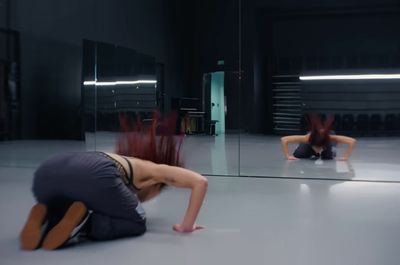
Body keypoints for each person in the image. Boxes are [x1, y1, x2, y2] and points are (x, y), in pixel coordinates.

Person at [19, 112, 208, 251]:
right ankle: (86, 225)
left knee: (78, 199)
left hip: (46, 173)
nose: (147, 199)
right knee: (137, 221)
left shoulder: (123, 160)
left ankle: (47, 215)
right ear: (156, 185)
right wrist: (187, 225)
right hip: (96, 172)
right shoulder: (153, 169)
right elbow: (200, 182)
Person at [281, 114, 356, 161]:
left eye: (319, 147)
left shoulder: (330, 137)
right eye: (316, 147)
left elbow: (352, 141)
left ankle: (328, 151)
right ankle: (311, 151)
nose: (318, 149)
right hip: (311, 140)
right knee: (299, 155)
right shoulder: (307, 138)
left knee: (328, 157)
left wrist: (346, 157)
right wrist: (288, 156)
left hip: (327, 140)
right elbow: (284, 139)